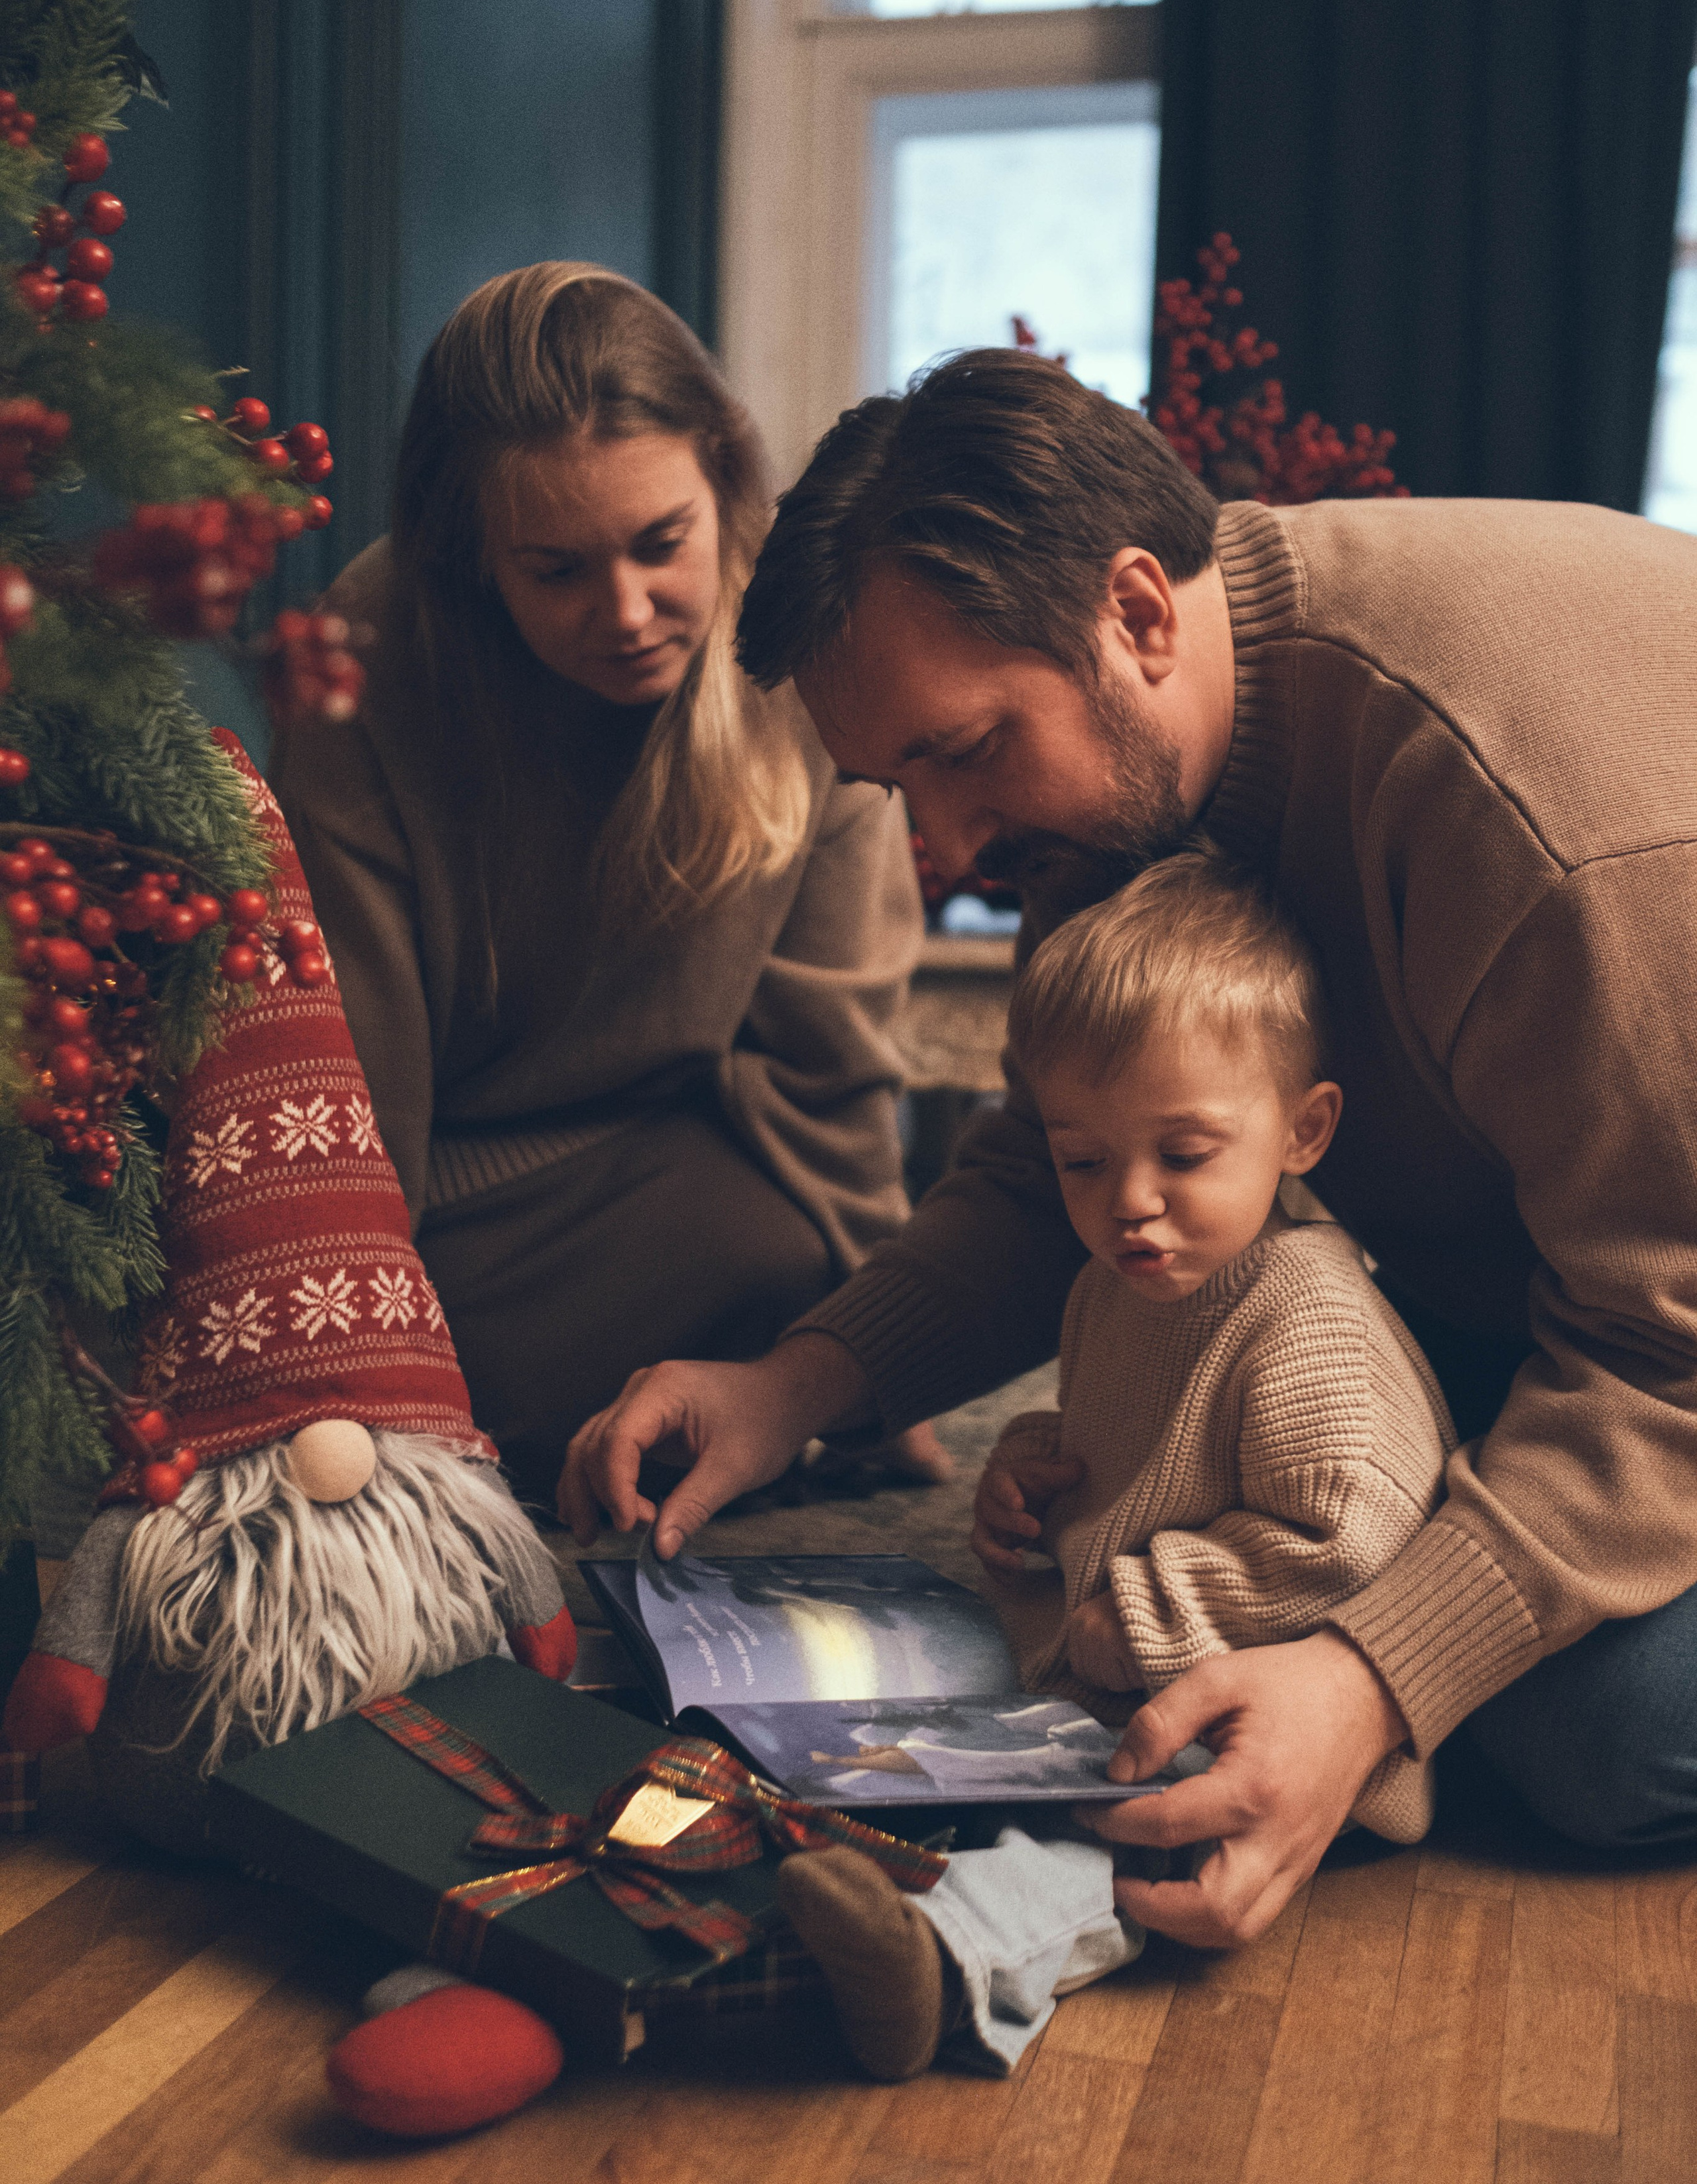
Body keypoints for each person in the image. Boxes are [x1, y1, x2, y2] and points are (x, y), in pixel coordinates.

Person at [563, 345, 1697, 1949]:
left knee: (1583, 1722)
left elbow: (1667, 1354)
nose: (944, 853)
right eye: (895, 786)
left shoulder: (1531, 830)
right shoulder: (1121, 794)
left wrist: (1372, 1682)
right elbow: (1053, 1169)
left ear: (1139, 615)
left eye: (961, 753)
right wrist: (796, 1385)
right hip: (1575, 1276)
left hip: (1664, 1312)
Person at [270, 264, 944, 1505]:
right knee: (408, 1403)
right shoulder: (365, 659)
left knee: (794, 1269)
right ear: (476, 559)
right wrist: (356, 1381)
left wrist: (872, 1366)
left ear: (723, 484)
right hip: (444, 1201)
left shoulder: (809, 640)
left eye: (661, 544)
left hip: (670, 1162)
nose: (627, 611)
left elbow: (832, 1062)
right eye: (559, 570)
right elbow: (351, 1088)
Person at [779, 851, 1450, 2078]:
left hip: (1266, 1726)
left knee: (1122, 1830)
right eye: (1082, 1161)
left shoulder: (1307, 1311)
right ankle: (808, 1895)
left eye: (1183, 1155)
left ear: (1304, 1132)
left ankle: (952, 1962)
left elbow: (1348, 1538)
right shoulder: (1112, 1287)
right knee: (912, 1725)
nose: (1130, 1202)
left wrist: (1139, 1612)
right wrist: (1032, 1477)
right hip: (1107, 1680)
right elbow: (1115, 1450)